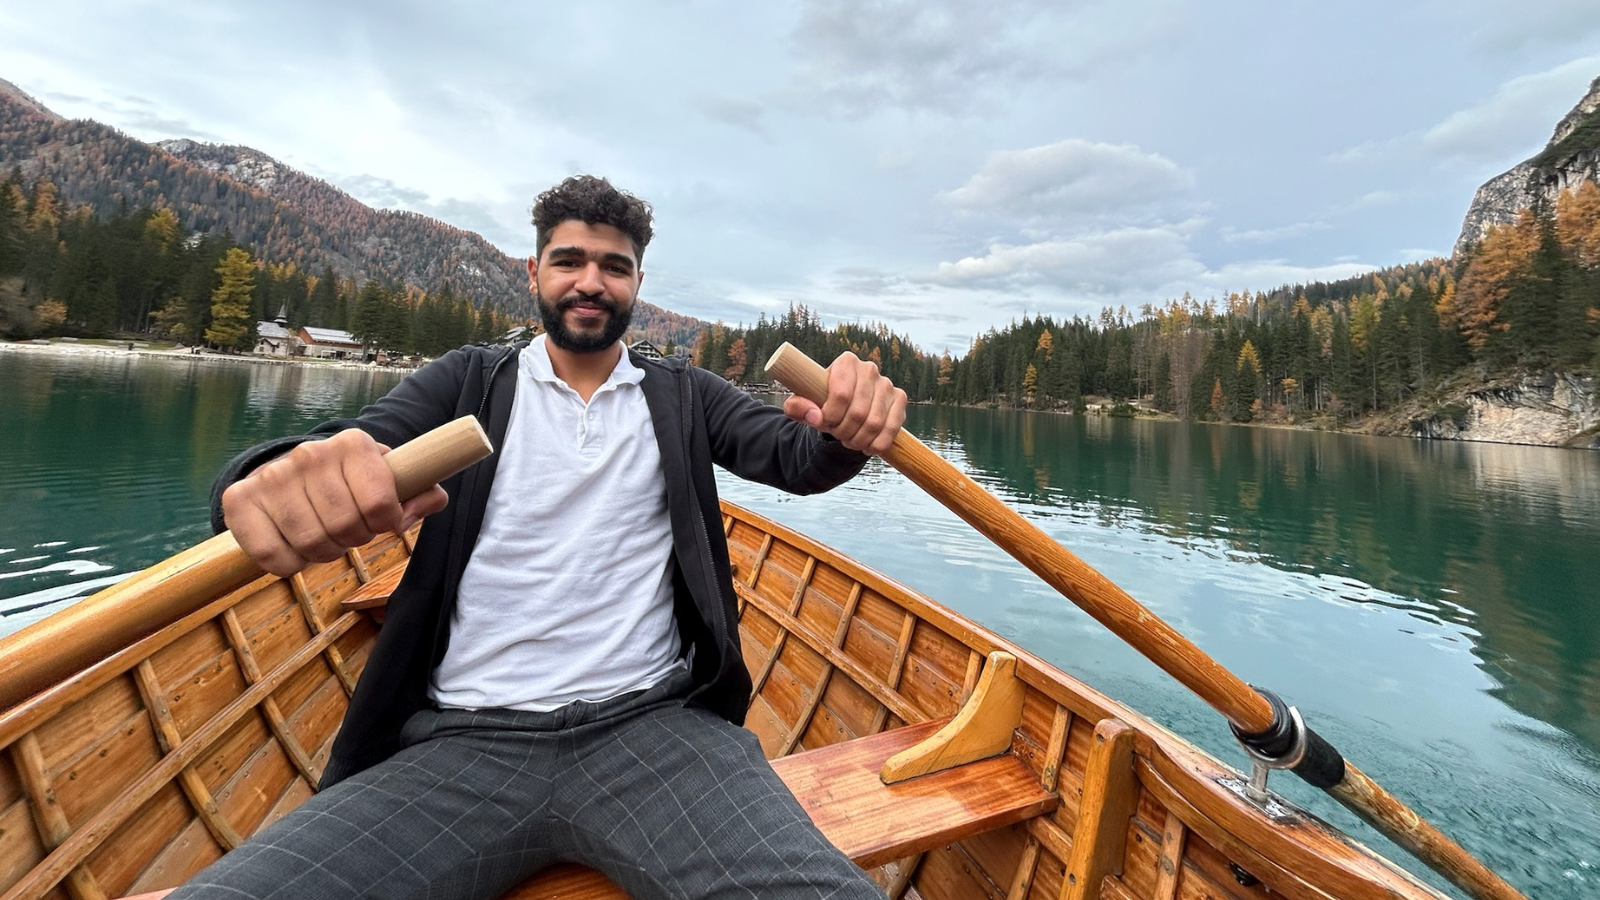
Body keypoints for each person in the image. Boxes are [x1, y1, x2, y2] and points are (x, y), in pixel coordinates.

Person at [175, 175, 904, 900]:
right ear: (534, 273)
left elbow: (797, 458)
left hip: (656, 736)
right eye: (569, 261)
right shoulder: (467, 383)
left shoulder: (684, 395)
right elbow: (348, 446)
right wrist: (263, 477)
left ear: (637, 282)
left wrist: (846, 432)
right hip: (459, 748)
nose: (591, 282)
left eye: (614, 267)